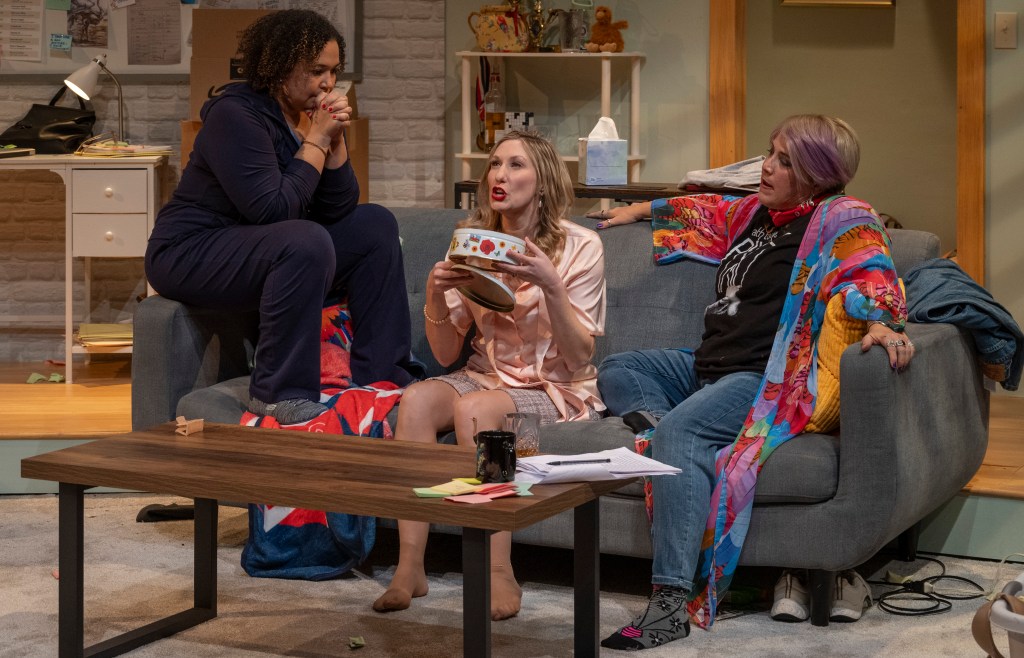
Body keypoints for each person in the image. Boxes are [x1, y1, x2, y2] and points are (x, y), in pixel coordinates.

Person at [587, 115, 916, 650]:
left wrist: (882, 320)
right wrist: (641, 209)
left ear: (816, 173)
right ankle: (667, 430)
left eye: (785, 160)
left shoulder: (839, 216)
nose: (766, 165)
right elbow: (709, 210)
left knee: (681, 437)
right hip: (703, 366)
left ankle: (670, 602)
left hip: (765, 379)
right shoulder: (758, 214)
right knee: (621, 369)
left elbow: (871, 268)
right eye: (769, 152)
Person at [371, 130, 607, 621]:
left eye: (516, 165)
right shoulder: (472, 241)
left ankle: (499, 567)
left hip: (556, 390)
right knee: (415, 399)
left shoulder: (581, 246)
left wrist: (550, 285)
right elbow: (444, 353)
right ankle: (409, 563)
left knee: (475, 409)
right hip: (487, 376)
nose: (500, 175)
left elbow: (581, 354)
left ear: (542, 180)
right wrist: (435, 295)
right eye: (495, 164)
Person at [146, 10, 414, 426]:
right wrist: (316, 139)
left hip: (254, 246)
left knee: (375, 225)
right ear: (280, 66)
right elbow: (271, 211)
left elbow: (337, 209)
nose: (327, 83)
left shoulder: (300, 119)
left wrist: (335, 139)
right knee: (302, 240)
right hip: (190, 251)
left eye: (333, 71)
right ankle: (277, 394)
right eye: (316, 71)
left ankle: (383, 376)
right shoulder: (235, 116)